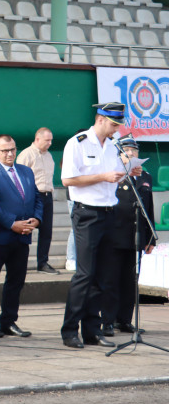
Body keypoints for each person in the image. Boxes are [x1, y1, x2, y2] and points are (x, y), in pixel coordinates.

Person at [60, 102, 141, 349]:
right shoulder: (79, 142)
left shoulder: (113, 147)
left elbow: (113, 176)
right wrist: (102, 177)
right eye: (114, 124)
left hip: (109, 212)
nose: (117, 129)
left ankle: (92, 331)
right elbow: (68, 179)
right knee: (85, 274)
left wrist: (129, 171)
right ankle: (70, 330)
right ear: (101, 119)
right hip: (86, 213)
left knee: (102, 275)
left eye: (119, 124)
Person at [0, 135, 42, 339]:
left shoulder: (25, 171)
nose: (10, 154)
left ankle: (8, 321)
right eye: (5, 150)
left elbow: (37, 197)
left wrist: (36, 219)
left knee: (16, 281)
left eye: (13, 149)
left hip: (22, 237)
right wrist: (11, 223)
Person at [103, 135, 153, 336]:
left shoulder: (145, 177)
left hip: (136, 236)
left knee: (130, 282)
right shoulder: (114, 176)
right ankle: (107, 321)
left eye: (134, 150)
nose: (131, 153)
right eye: (127, 150)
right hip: (114, 236)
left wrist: (150, 236)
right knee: (111, 281)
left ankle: (124, 320)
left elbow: (148, 208)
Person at [16, 127, 58, 274]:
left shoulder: (49, 156)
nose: (50, 143)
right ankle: (20, 262)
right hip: (32, 196)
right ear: (38, 139)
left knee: (46, 231)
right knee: (26, 228)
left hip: (47, 195)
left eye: (51, 140)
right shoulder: (26, 155)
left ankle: (43, 263)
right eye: (47, 140)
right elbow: (18, 178)